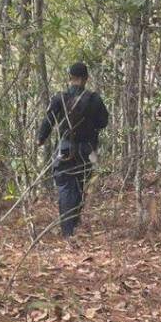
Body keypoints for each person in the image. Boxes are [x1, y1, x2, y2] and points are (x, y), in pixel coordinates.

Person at [36, 62, 110, 237]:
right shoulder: (94, 99)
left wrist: (41, 138)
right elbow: (103, 123)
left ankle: (68, 231)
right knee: (79, 186)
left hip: (65, 149)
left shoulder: (59, 98)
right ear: (86, 78)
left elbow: (48, 121)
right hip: (87, 151)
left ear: (70, 77)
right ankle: (73, 226)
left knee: (65, 187)